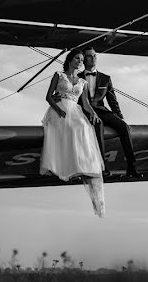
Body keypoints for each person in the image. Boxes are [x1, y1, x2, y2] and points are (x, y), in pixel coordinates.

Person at [40, 49, 105, 216]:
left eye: (82, 60)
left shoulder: (82, 82)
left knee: (84, 128)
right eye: (77, 58)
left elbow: (85, 104)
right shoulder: (58, 75)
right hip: (59, 109)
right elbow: (48, 96)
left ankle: (83, 164)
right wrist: (58, 110)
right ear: (69, 59)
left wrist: (93, 113)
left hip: (75, 111)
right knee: (68, 128)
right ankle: (64, 164)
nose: (80, 62)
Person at [78, 45, 142, 178]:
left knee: (123, 127)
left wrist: (119, 116)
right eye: (89, 56)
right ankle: (102, 166)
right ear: (84, 59)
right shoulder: (76, 77)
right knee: (98, 125)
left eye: (95, 55)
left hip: (101, 110)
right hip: (83, 111)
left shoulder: (106, 78)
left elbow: (112, 100)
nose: (93, 58)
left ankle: (132, 167)